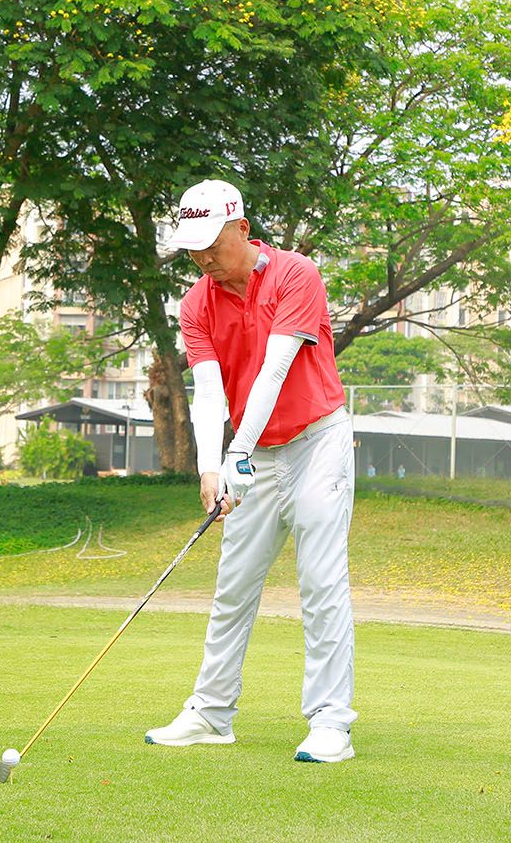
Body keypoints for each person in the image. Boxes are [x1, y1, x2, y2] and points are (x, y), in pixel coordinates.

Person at [143, 179, 357, 763]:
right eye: (193, 248)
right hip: (253, 453)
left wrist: (236, 451)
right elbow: (210, 391)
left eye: (212, 243)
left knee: (321, 581)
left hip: (317, 441)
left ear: (242, 227)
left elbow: (275, 370)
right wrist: (211, 467)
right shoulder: (196, 304)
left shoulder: (296, 275)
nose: (203, 257)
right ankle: (211, 714)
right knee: (233, 585)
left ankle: (331, 723)